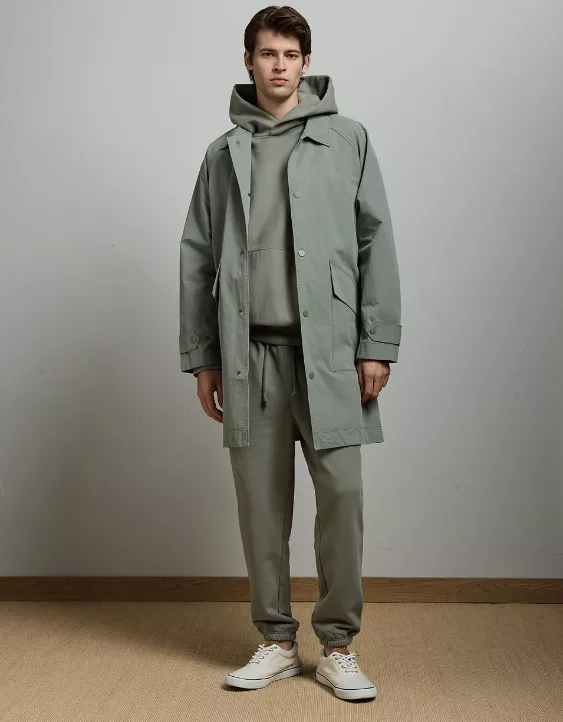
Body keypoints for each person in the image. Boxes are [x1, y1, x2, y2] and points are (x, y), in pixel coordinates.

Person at [179, 6, 401, 702]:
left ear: (306, 62)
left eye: (290, 54)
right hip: (251, 358)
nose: (279, 65)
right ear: (248, 61)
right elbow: (197, 256)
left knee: (343, 498)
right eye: (267, 53)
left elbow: (374, 241)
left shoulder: (347, 139)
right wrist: (204, 357)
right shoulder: (222, 153)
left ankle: (337, 645)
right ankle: (275, 640)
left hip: (330, 354)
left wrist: (376, 343)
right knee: (260, 508)